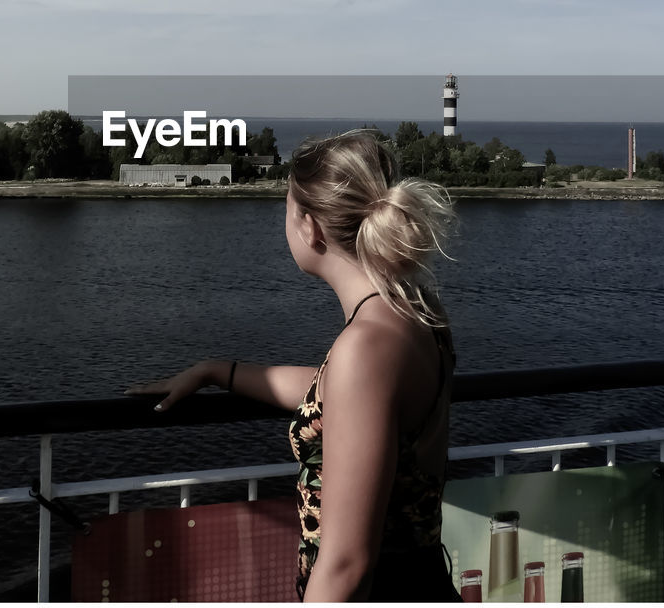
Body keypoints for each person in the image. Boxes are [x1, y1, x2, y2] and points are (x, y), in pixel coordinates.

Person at [125, 129, 461, 602]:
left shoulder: (365, 346)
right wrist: (217, 370)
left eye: (286, 208)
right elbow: (344, 398)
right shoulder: (415, 312)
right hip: (421, 580)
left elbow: (346, 564)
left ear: (310, 226)